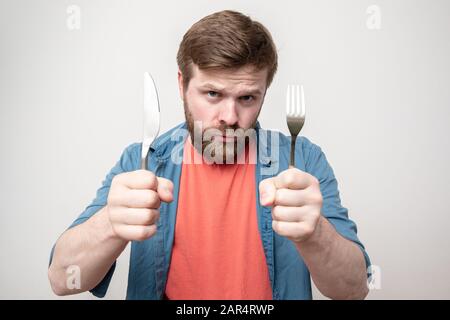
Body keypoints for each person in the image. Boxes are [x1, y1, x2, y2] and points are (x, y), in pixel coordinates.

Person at [48, 10, 370, 300]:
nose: (229, 116)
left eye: (246, 97)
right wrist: (109, 224)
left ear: (263, 94)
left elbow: (354, 289)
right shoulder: (144, 160)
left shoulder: (303, 161)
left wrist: (316, 233)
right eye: (213, 93)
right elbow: (63, 280)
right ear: (181, 85)